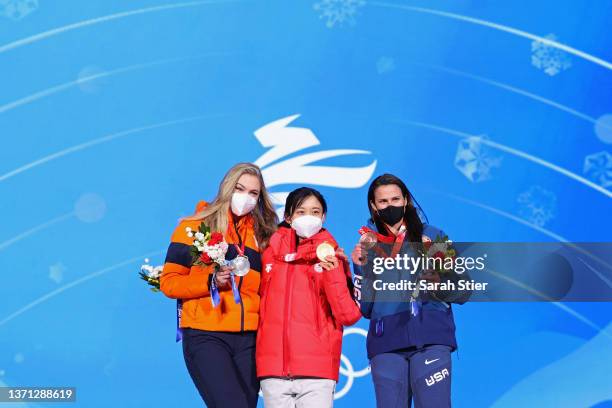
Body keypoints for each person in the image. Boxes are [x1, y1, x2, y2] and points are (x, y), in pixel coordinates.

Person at [160, 162, 278, 408]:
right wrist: (210, 281)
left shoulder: (261, 237)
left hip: (249, 340)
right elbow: (170, 283)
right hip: (207, 335)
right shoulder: (193, 228)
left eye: (253, 193)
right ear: (227, 188)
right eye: (240, 188)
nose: (245, 197)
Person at [351, 174, 471, 408]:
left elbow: (463, 290)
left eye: (395, 199)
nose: (390, 206)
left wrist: (439, 284)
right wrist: (360, 268)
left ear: (406, 201)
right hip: (386, 344)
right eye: (383, 202)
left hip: (430, 338)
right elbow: (365, 308)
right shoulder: (367, 245)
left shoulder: (433, 236)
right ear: (374, 206)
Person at [256, 187, 362, 408]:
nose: (309, 218)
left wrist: (333, 272)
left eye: (315, 212)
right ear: (288, 217)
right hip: (273, 371)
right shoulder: (268, 254)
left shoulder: (333, 256)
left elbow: (349, 315)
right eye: (301, 212)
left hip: (317, 371)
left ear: (323, 217)